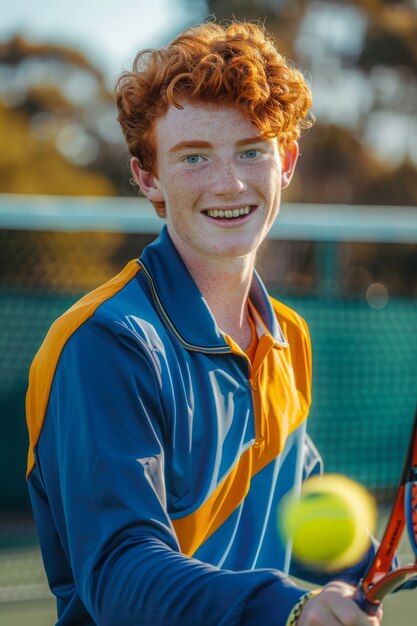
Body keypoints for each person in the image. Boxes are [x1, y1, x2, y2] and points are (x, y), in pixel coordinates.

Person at [26, 20, 383, 626]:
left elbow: (297, 508)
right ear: (148, 178)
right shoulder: (105, 343)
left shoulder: (287, 335)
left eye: (252, 150)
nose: (229, 182)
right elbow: (120, 569)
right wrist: (290, 609)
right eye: (194, 156)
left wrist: (373, 565)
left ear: (286, 161)